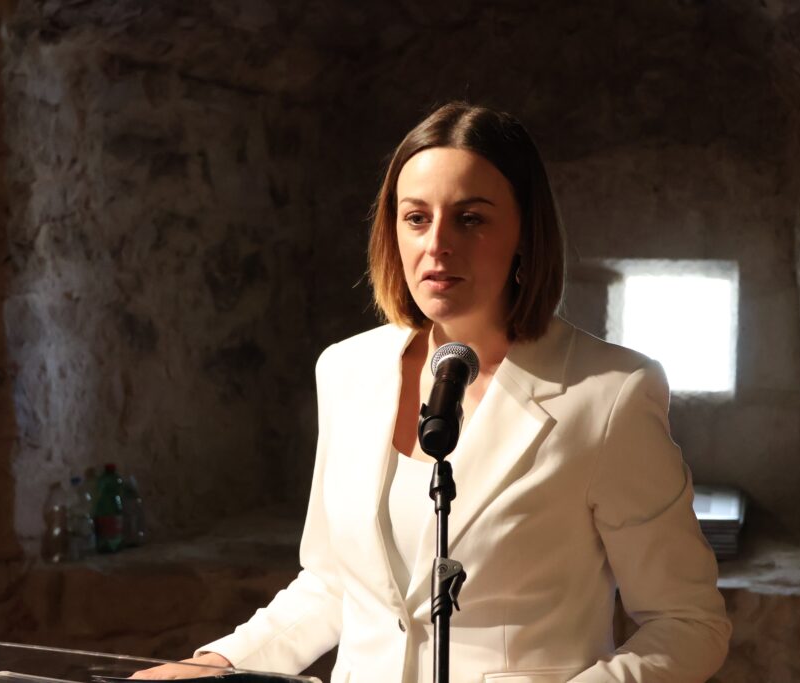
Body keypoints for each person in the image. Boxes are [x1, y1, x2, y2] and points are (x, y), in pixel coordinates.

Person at [132, 102, 731, 682]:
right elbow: (333, 583)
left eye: (470, 218)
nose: (436, 244)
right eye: (416, 218)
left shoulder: (609, 394)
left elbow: (687, 623)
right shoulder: (346, 370)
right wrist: (217, 664)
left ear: (525, 233)